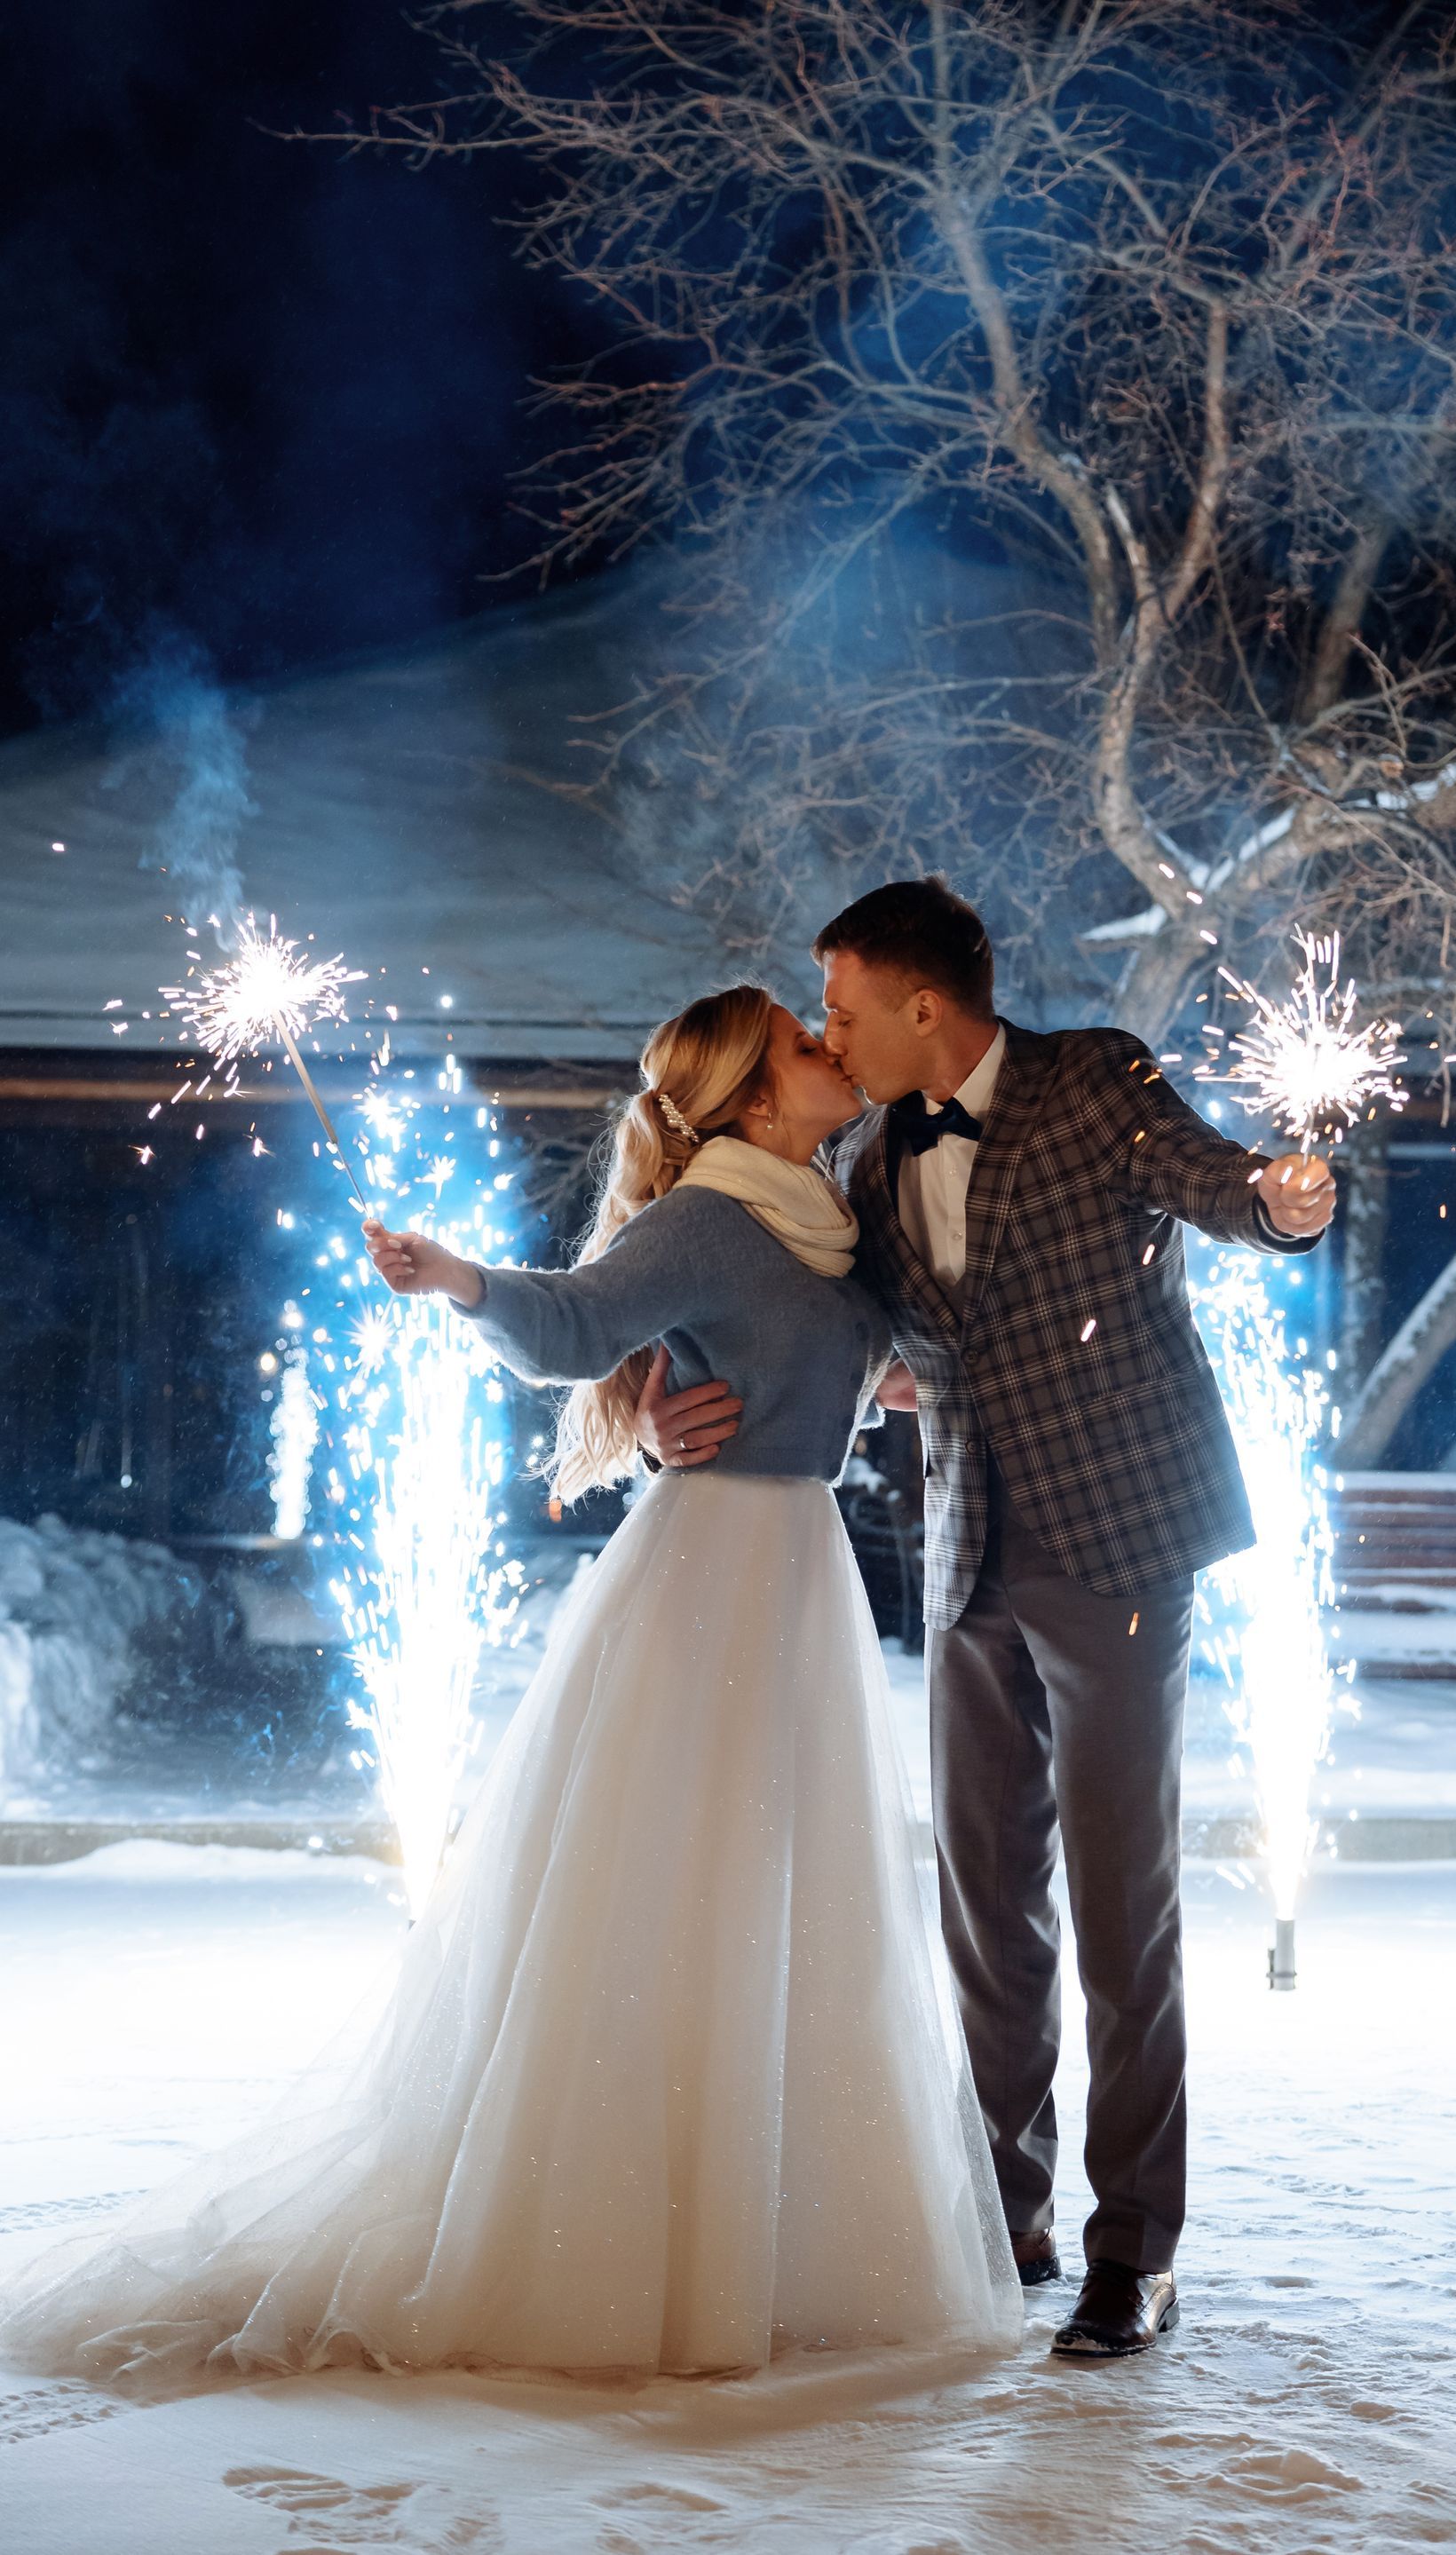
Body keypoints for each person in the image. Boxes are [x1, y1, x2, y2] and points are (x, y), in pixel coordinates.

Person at [0, 985, 1019, 2388]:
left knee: (794, 1899)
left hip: (803, 1577)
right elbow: (574, 1323)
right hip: (707, 1581)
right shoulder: (714, 1216)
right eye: (801, 1041)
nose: (828, 1048)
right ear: (750, 1099)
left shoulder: (829, 1216)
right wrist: (456, 1277)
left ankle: (780, 2242)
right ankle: (627, 2248)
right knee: (676, 1898)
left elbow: (865, 1366)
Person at [638, 882, 1334, 2361]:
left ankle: (1134, 2250)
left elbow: (1219, 1179)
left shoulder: (1093, 1078)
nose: (825, 1031)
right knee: (985, 1910)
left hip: (1121, 1551)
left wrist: (1285, 1202)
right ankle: (1001, 2210)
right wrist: (664, 1407)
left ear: (923, 1008)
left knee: (1121, 1911)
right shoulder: (875, 1162)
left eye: (838, 1008)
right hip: (965, 1563)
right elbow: (792, 1326)